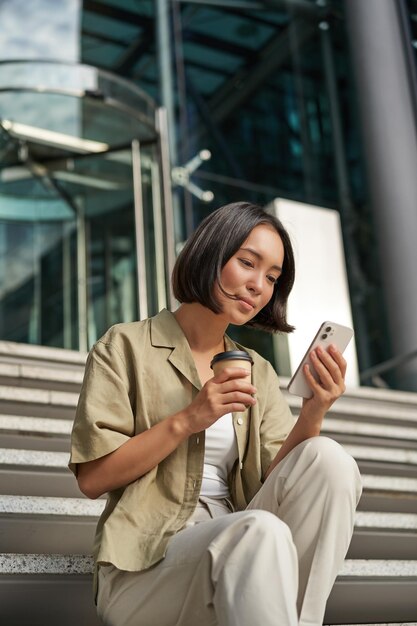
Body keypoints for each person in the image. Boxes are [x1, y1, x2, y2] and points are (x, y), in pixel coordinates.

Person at [69, 201, 362, 626]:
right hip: (146, 567)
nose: (259, 285)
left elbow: (278, 482)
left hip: (246, 544)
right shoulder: (125, 346)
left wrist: (314, 411)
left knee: (329, 460)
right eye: (248, 263)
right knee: (258, 532)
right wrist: (188, 419)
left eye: (273, 278)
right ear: (211, 253)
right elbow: (93, 479)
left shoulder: (256, 370)